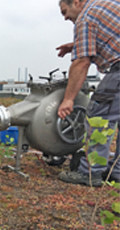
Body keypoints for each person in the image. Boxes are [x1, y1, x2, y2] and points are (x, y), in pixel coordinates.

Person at [55, 0, 120, 186]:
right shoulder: (107, 3)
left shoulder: (85, 18)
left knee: (98, 116)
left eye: (65, 11)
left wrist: (68, 99)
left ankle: (90, 173)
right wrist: (75, 44)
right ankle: (117, 170)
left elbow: (82, 62)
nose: (66, 17)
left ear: (76, 2)